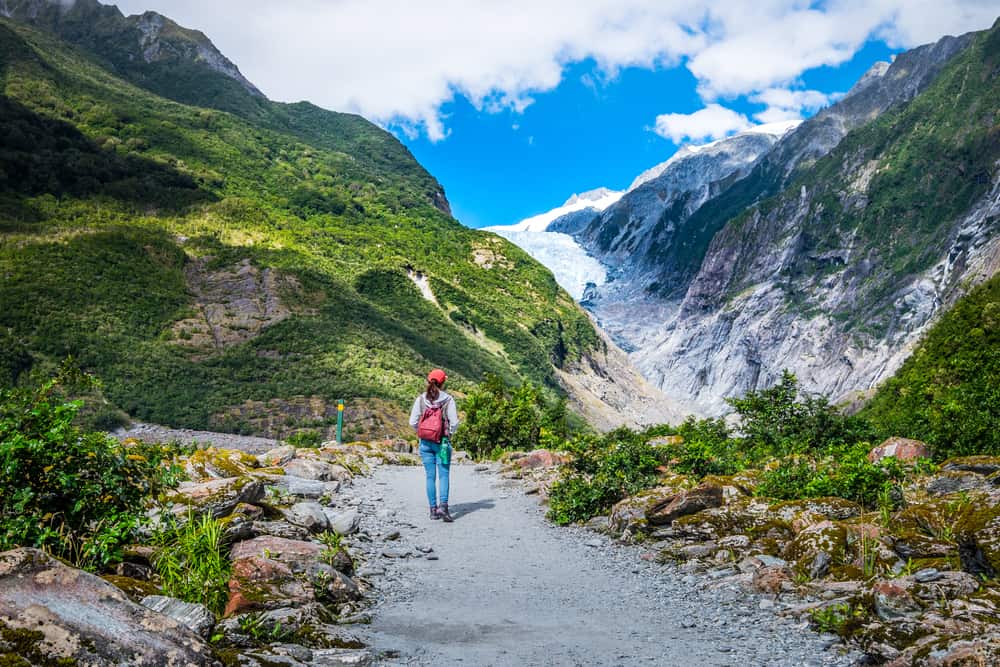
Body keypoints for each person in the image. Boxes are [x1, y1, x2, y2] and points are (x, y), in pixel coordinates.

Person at [409, 368, 459, 522]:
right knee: (443, 475)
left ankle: (433, 510)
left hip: (425, 443)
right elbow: (455, 423)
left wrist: (423, 432)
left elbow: (412, 422)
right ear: (443, 382)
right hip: (442, 443)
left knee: (430, 477)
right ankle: (443, 507)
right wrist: (448, 433)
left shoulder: (421, 399)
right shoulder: (448, 399)